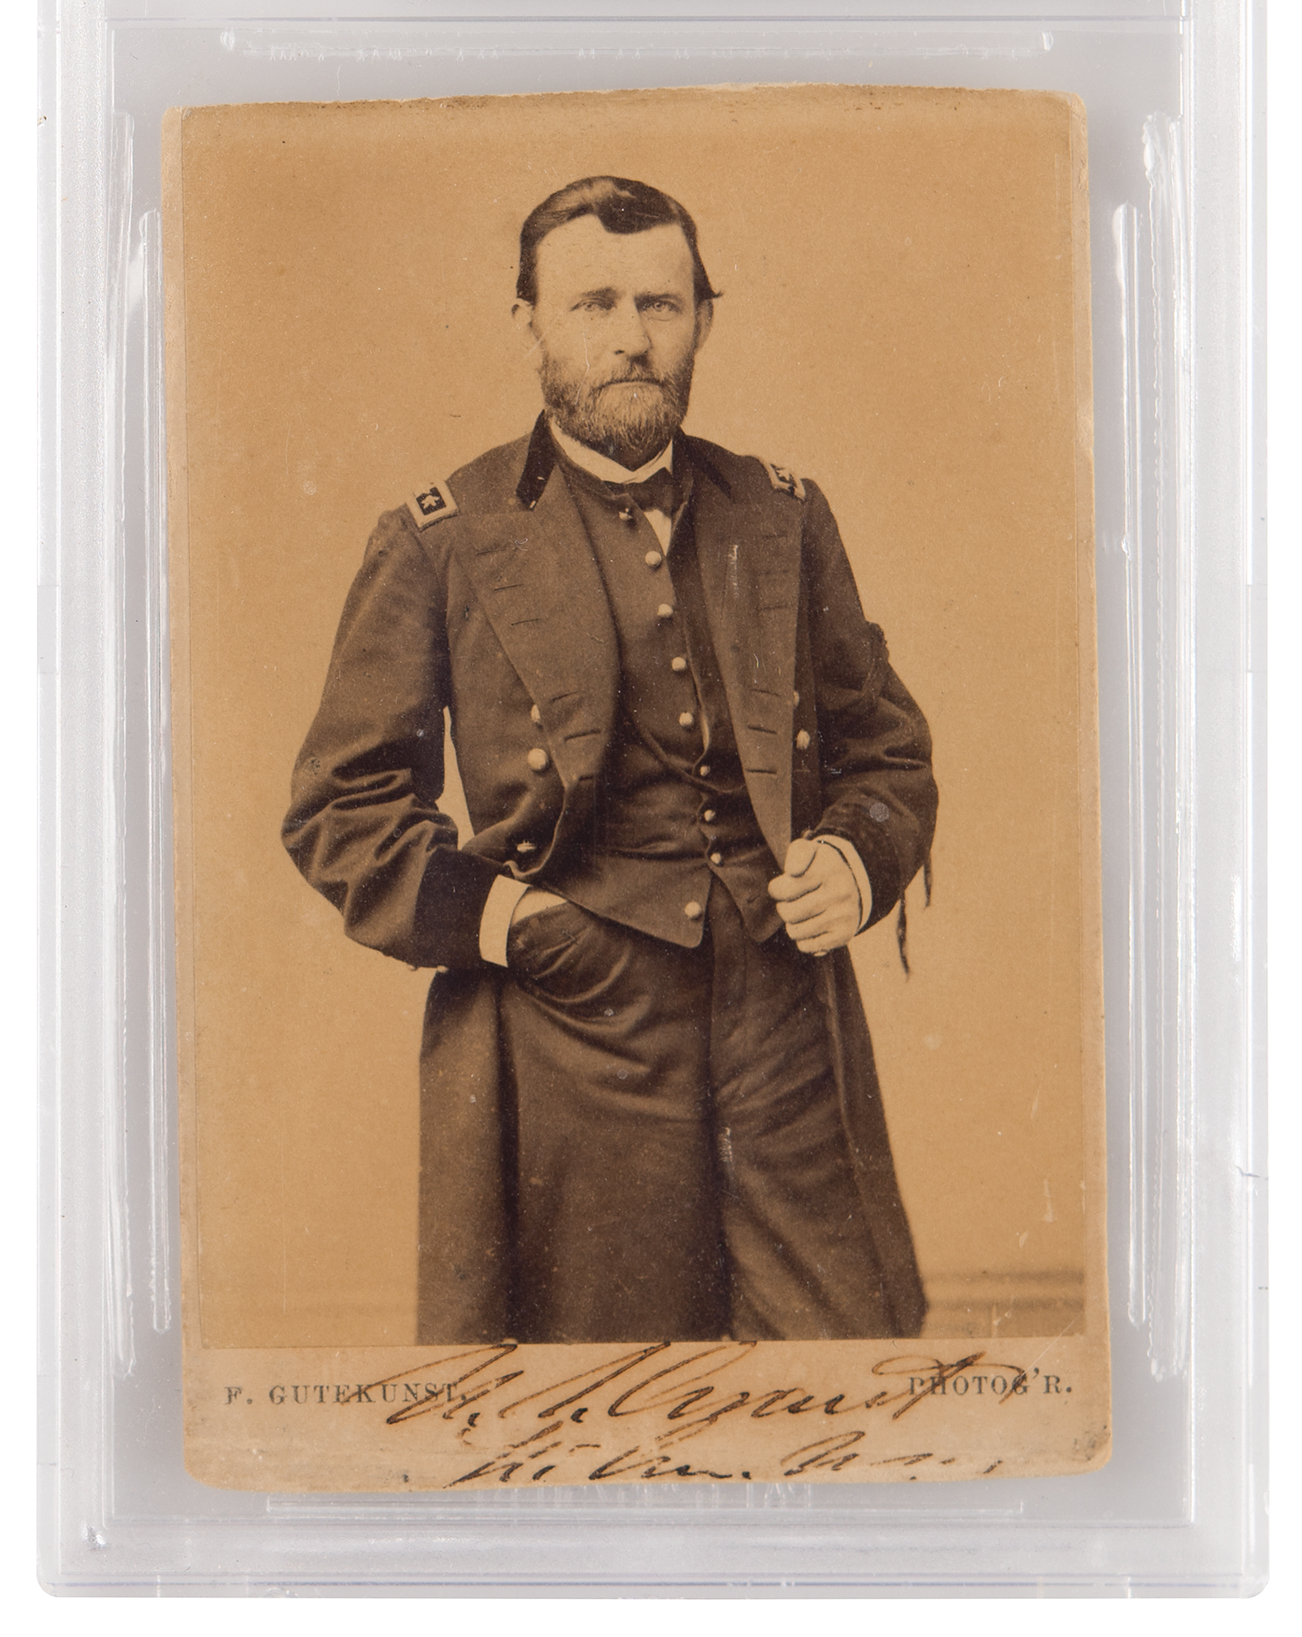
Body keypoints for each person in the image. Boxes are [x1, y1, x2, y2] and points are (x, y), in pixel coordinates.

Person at [283, 175, 937, 1345]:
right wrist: (516, 924)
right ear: (529, 321)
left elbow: (885, 745)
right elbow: (342, 805)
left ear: (703, 320)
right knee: (605, 1389)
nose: (631, 337)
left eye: (660, 304)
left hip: (782, 1020)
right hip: (569, 1029)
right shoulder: (443, 536)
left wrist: (854, 856)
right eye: (593, 304)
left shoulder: (784, 514)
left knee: (844, 1367)